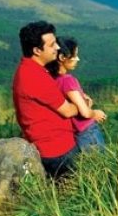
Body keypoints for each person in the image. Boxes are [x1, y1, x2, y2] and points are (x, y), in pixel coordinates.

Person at [12, 21, 81, 178]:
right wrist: (83, 102)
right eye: (52, 45)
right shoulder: (35, 77)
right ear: (37, 50)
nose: (57, 47)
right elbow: (68, 111)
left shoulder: (29, 69)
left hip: (49, 145)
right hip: (57, 150)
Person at [46, 36, 107, 150]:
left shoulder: (52, 80)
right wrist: (95, 114)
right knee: (100, 165)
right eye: (74, 56)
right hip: (89, 133)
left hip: (75, 135)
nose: (77, 59)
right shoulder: (67, 80)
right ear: (62, 57)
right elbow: (84, 112)